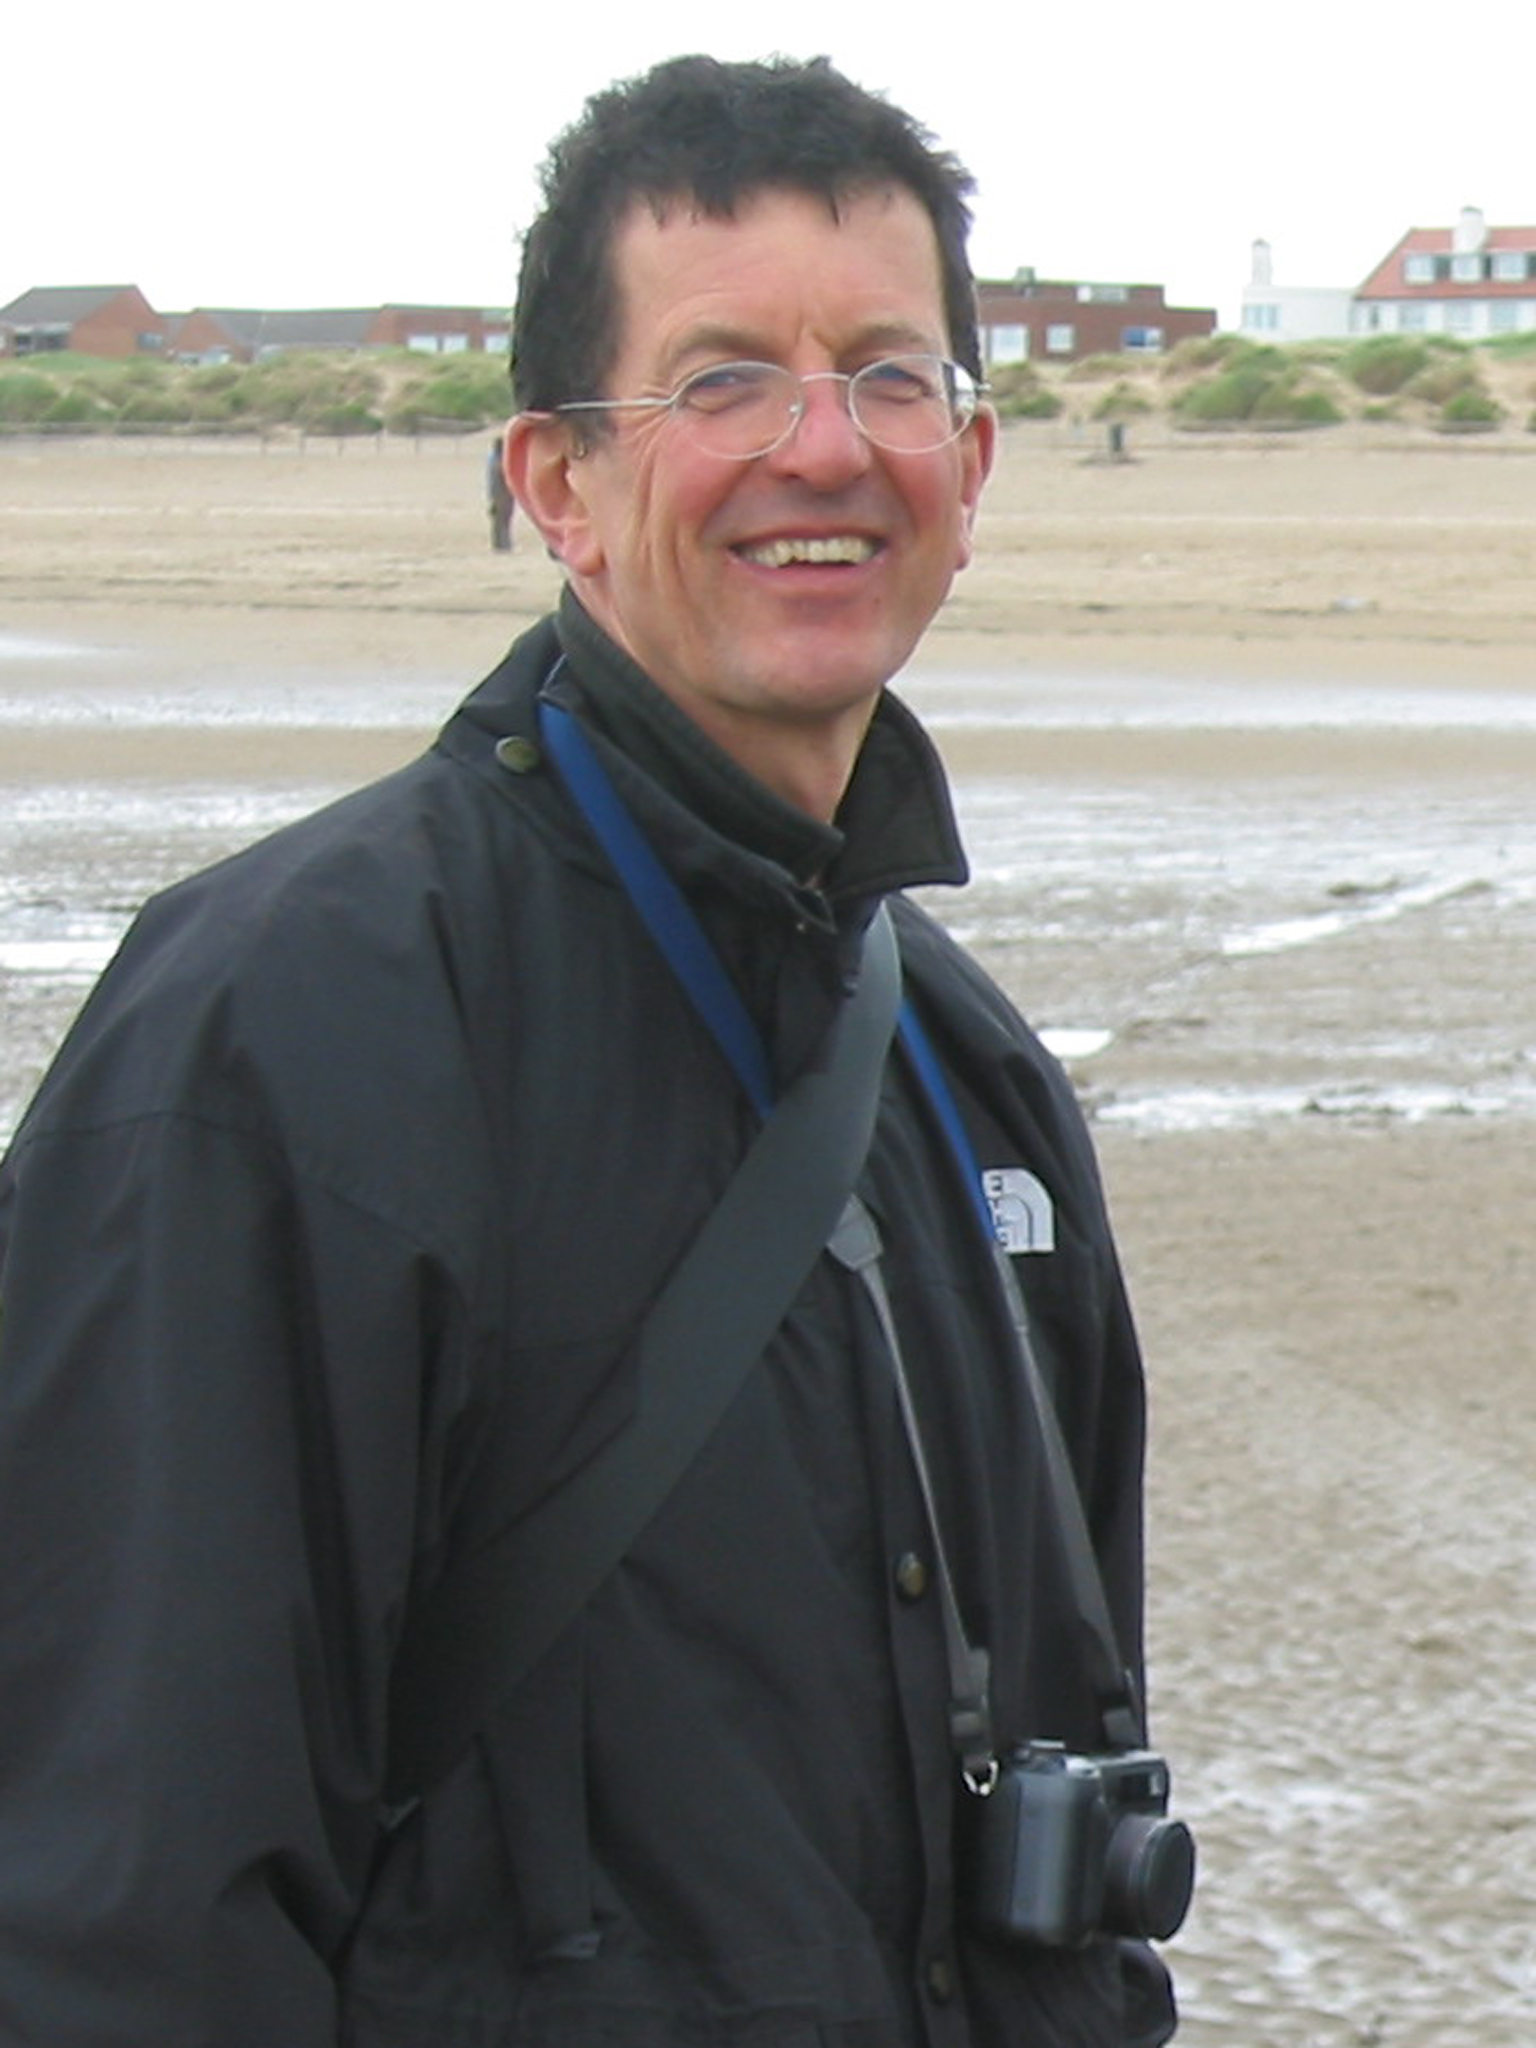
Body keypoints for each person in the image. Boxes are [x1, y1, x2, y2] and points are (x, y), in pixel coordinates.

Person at [0, 55, 1181, 2048]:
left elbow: (1082, 1766)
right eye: (721, 381)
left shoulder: (971, 1078)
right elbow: (116, 1905)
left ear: (972, 473)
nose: (825, 447)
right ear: (555, 481)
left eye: (893, 376)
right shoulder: (278, 1027)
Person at [487, 431, 515, 549]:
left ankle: (499, 544)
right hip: (503, 495)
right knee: (503, 520)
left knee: (499, 520)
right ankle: (503, 544)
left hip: (497, 494)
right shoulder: (501, 462)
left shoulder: (493, 460)